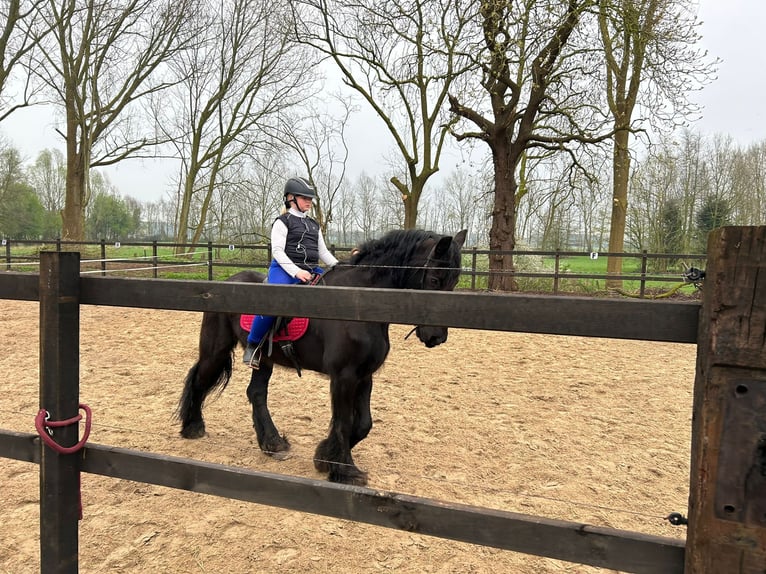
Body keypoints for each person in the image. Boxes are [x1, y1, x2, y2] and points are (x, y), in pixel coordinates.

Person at [243, 177, 338, 367]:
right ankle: (253, 345)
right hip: (285, 270)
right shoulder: (282, 222)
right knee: (274, 302)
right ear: (291, 198)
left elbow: (323, 252)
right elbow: (277, 251)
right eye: (305, 198)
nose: (309, 201)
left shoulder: (314, 224)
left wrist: (340, 267)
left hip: (312, 269)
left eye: (310, 198)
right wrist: (296, 272)